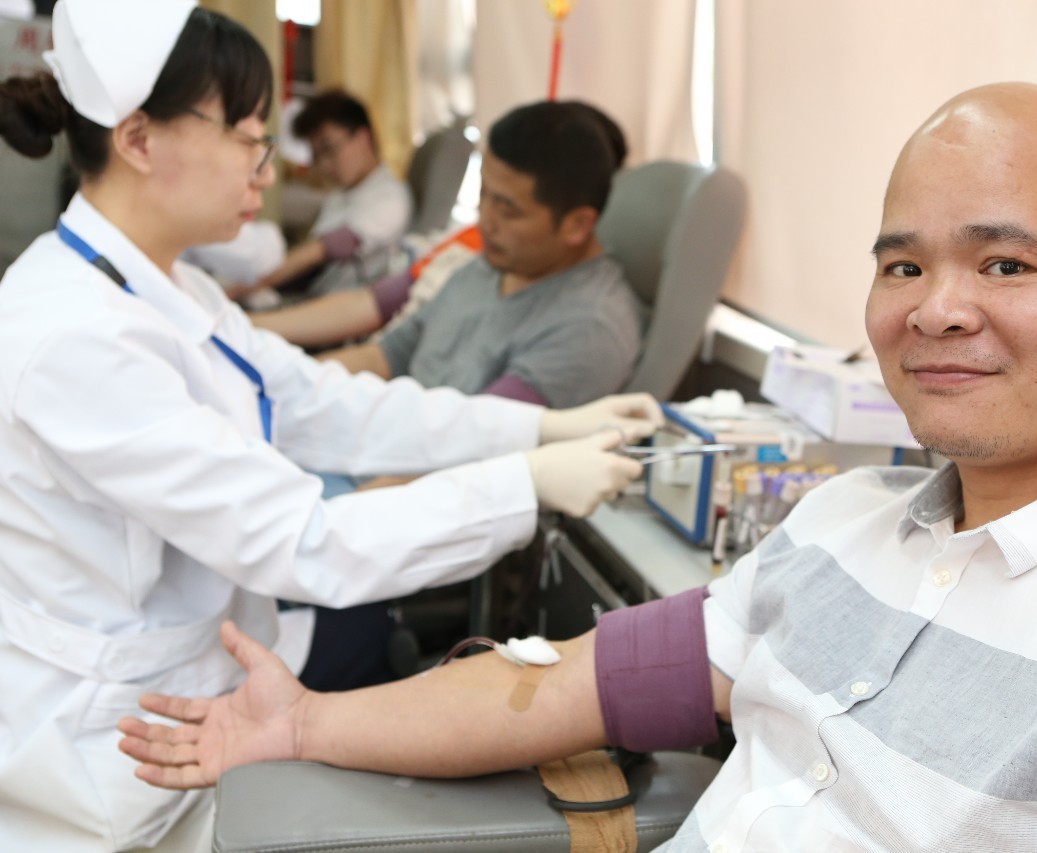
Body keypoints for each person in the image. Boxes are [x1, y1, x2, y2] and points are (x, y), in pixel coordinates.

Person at [121, 83, 1037, 849]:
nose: (934, 310)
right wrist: (304, 724)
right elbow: (570, 680)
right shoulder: (843, 522)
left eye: (1004, 266)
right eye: (900, 266)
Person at [0, 2, 659, 850]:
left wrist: (534, 430)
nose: (266, 169)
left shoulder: (170, 288)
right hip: (113, 738)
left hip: (199, 683)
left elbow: (324, 403)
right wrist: (523, 485)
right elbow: (300, 540)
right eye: (249, 137)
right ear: (138, 139)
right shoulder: (74, 336)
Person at [279, 100, 645, 411]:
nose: (485, 222)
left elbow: (470, 443)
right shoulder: (490, 265)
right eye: (483, 195)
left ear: (577, 225)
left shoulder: (587, 329)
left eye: (508, 210)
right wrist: (280, 383)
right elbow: (385, 356)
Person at [229, 89, 413, 301]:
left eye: (329, 149)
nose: (324, 165)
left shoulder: (390, 199)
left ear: (363, 137)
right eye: (316, 156)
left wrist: (242, 288)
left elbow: (320, 251)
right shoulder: (343, 193)